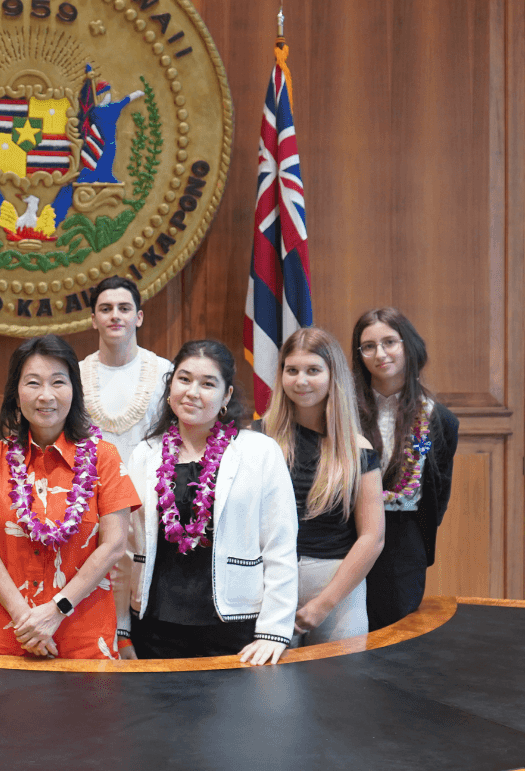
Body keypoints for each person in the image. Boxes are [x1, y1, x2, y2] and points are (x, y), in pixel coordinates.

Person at [120, 340, 298, 664]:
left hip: (234, 626)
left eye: (208, 383)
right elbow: (126, 548)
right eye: (184, 379)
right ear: (170, 385)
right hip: (155, 625)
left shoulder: (259, 452)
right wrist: (121, 629)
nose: (192, 391)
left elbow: (280, 545)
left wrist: (274, 630)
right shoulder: (144, 454)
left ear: (226, 396)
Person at [0, 335, 140, 659]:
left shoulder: (105, 458)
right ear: (16, 394)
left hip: (84, 636)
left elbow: (114, 545)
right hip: (5, 634)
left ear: (74, 390)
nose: (46, 395)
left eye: (58, 382)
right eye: (32, 383)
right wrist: (26, 618)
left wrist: (55, 611)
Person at [261, 327, 384, 647]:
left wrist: (323, 604)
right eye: (292, 370)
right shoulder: (259, 441)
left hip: (336, 587)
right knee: (272, 693)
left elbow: (373, 537)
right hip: (269, 584)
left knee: (340, 692)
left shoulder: (357, 449)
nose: (301, 380)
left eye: (313, 370)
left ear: (333, 376)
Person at [352, 307, 459, 630]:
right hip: (345, 540)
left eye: (389, 342)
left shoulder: (437, 420)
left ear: (408, 346)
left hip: (402, 547)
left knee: (393, 641)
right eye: (368, 346)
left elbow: (436, 496)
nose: (379, 353)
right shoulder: (344, 415)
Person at [78, 276, 173, 463]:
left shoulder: (165, 371)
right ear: (94, 320)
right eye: (106, 309)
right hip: (93, 486)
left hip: (150, 486)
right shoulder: (76, 374)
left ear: (139, 318)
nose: (115, 315)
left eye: (124, 308)